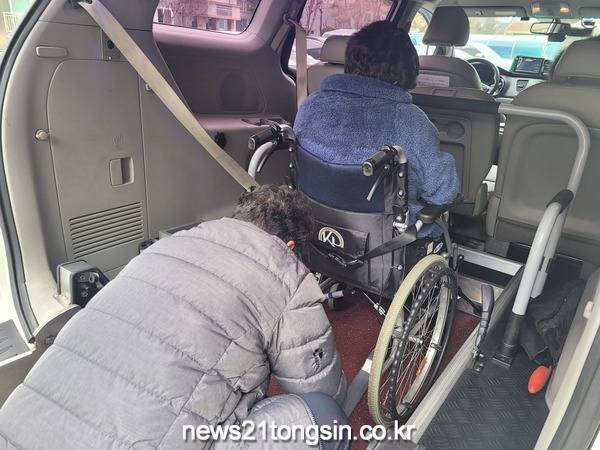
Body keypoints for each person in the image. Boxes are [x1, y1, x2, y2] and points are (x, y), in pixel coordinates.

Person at [0, 185, 348, 449]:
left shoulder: (167, 244)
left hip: (19, 429)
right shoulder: (286, 277)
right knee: (326, 417)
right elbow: (321, 387)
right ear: (290, 246)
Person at [294, 21, 460, 237]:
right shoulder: (412, 122)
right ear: (406, 70)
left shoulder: (310, 106)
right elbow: (443, 194)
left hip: (316, 229)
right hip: (388, 243)